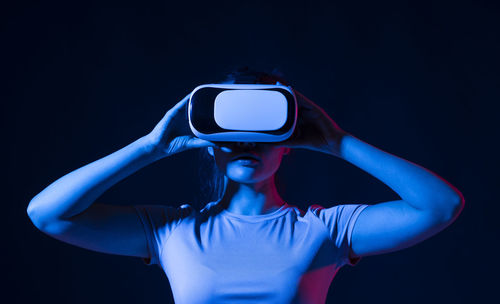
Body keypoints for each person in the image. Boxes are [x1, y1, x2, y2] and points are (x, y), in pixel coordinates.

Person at [27, 66, 465, 304]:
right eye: (231, 132)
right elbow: (47, 214)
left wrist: (337, 142)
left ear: (288, 142)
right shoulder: (171, 231)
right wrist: (150, 146)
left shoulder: (326, 229)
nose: (244, 143)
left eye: (260, 130)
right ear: (209, 142)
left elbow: (440, 206)